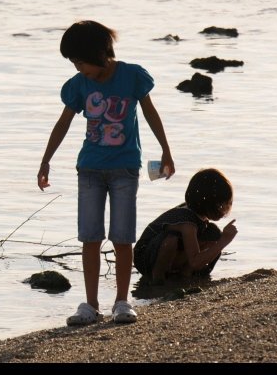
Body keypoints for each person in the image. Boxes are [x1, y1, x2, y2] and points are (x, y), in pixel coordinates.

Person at [37, 20, 175, 325]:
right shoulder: (79, 85)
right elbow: (63, 123)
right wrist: (46, 160)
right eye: (73, 62)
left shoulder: (132, 76)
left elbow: (151, 112)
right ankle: (90, 305)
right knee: (90, 237)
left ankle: (122, 302)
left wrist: (166, 149)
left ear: (99, 53)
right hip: (89, 170)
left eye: (79, 60)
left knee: (123, 238)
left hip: (125, 169)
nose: (77, 67)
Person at [134, 168, 237, 283]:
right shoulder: (187, 223)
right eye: (220, 206)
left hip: (171, 253)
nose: (223, 211)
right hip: (145, 256)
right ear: (207, 203)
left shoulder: (199, 217)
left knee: (213, 234)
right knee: (171, 240)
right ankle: (158, 279)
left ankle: (185, 275)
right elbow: (195, 261)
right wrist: (224, 241)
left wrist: (219, 240)